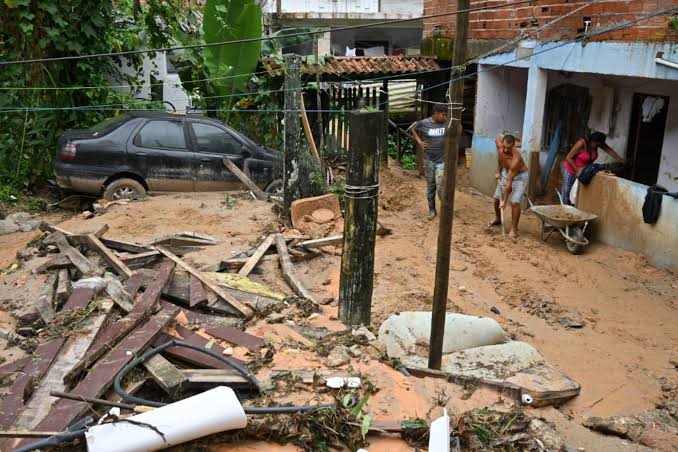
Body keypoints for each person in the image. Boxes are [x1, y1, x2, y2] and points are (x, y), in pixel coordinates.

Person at [561, 131, 624, 205]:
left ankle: (573, 211)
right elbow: (568, 157)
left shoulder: (598, 144)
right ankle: (564, 211)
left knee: (577, 194)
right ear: (592, 141)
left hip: (584, 172)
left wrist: (620, 159)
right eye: (597, 145)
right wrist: (577, 170)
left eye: (599, 145)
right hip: (571, 169)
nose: (598, 147)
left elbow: (608, 149)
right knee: (567, 193)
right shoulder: (581, 143)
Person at [412, 103, 450, 220]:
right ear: (436, 113)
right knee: (431, 186)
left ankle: (445, 210)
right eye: (443, 115)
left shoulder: (446, 122)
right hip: (428, 159)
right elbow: (413, 129)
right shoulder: (424, 123)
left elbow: (458, 129)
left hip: (442, 159)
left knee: (440, 185)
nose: (444, 117)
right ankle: (432, 209)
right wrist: (419, 141)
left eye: (446, 115)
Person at [487, 134, 529, 237]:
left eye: (509, 148)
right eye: (504, 146)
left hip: (520, 177)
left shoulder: (516, 159)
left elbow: (509, 183)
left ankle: (514, 229)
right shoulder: (501, 149)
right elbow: (500, 162)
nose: (505, 150)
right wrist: (500, 173)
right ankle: (498, 219)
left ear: (513, 146)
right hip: (506, 173)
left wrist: (505, 201)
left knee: (514, 202)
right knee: (496, 198)